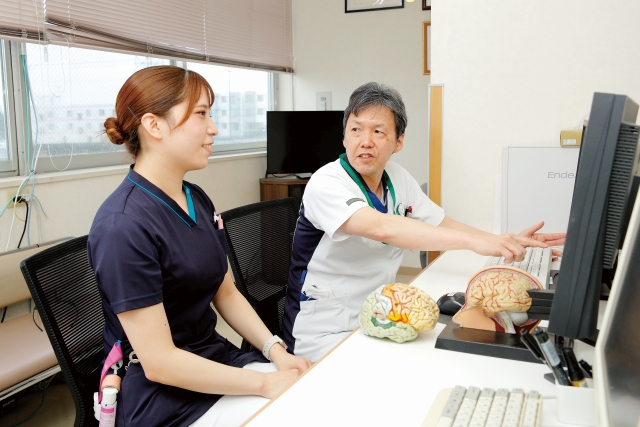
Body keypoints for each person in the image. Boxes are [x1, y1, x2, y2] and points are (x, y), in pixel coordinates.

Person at [88, 66, 311, 427]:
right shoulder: (122, 226)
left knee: (312, 391)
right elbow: (160, 363)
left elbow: (225, 291)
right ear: (154, 125)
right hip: (162, 396)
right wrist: (265, 383)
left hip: (213, 359)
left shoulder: (195, 198)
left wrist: (275, 351)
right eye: (201, 114)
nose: (214, 128)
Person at [282, 82, 565, 362]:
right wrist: (477, 243)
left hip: (378, 315)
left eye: (378, 131)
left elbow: (441, 223)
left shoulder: (397, 177)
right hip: (322, 329)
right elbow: (381, 227)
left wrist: (501, 241)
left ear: (398, 141)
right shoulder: (326, 182)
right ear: (344, 137)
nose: (365, 141)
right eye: (356, 129)